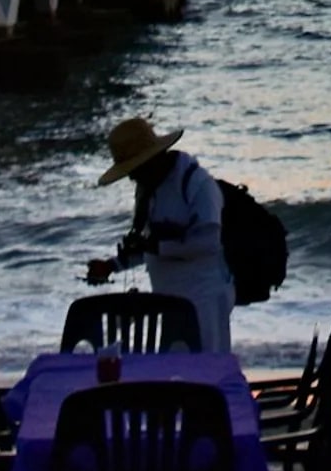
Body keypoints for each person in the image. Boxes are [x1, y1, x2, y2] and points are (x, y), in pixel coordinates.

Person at [85, 115, 234, 352]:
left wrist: (152, 247)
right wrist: (112, 265)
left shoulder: (197, 184)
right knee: (174, 373)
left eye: (135, 169)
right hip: (167, 299)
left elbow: (208, 243)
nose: (132, 177)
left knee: (205, 370)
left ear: (154, 158)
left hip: (204, 298)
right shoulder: (147, 189)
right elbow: (147, 246)